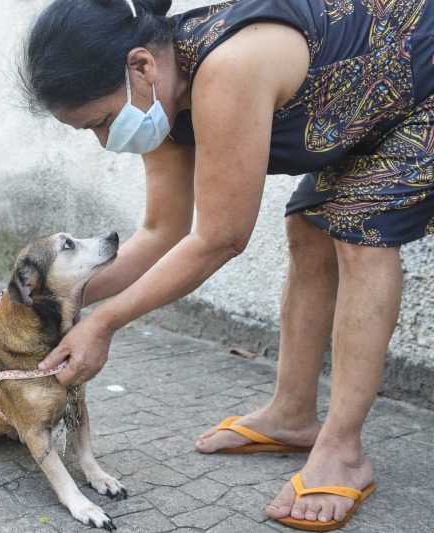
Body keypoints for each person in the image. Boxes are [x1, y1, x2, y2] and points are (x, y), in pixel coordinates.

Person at [22, 0, 434, 530]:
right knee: (308, 229)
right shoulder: (157, 96)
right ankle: (293, 413)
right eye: (90, 131)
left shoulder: (228, 66)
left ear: (141, 65)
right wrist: (50, 303)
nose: (106, 140)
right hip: (367, 109)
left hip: (420, 83)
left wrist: (102, 323)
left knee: (361, 234)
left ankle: (344, 450)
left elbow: (220, 238)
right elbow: (160, 234)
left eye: (101, 121)